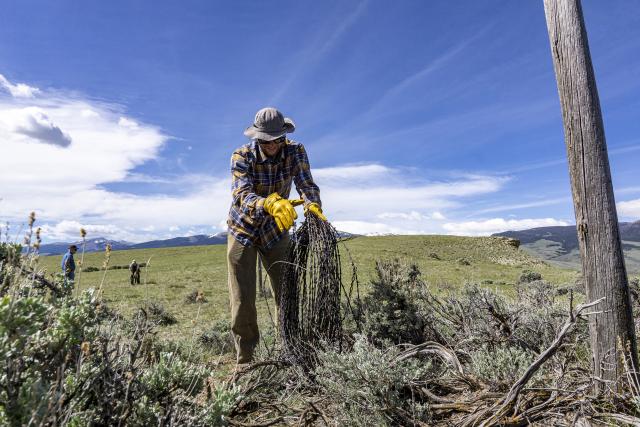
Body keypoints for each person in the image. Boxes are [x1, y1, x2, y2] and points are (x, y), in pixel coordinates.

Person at [226, 107, 327, 364]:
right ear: (257, 137)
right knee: (242, 299)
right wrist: (268, 203)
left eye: (277, 140)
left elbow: (306, 183)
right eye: (266, 140)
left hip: (276, 229)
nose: (272, 145)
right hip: (244, 228)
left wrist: (312, 204)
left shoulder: (296, 151)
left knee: (286, 291)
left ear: (285, 135)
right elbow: (241, 194)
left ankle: (289, 351)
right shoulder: (241, 155)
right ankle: (245, 359)